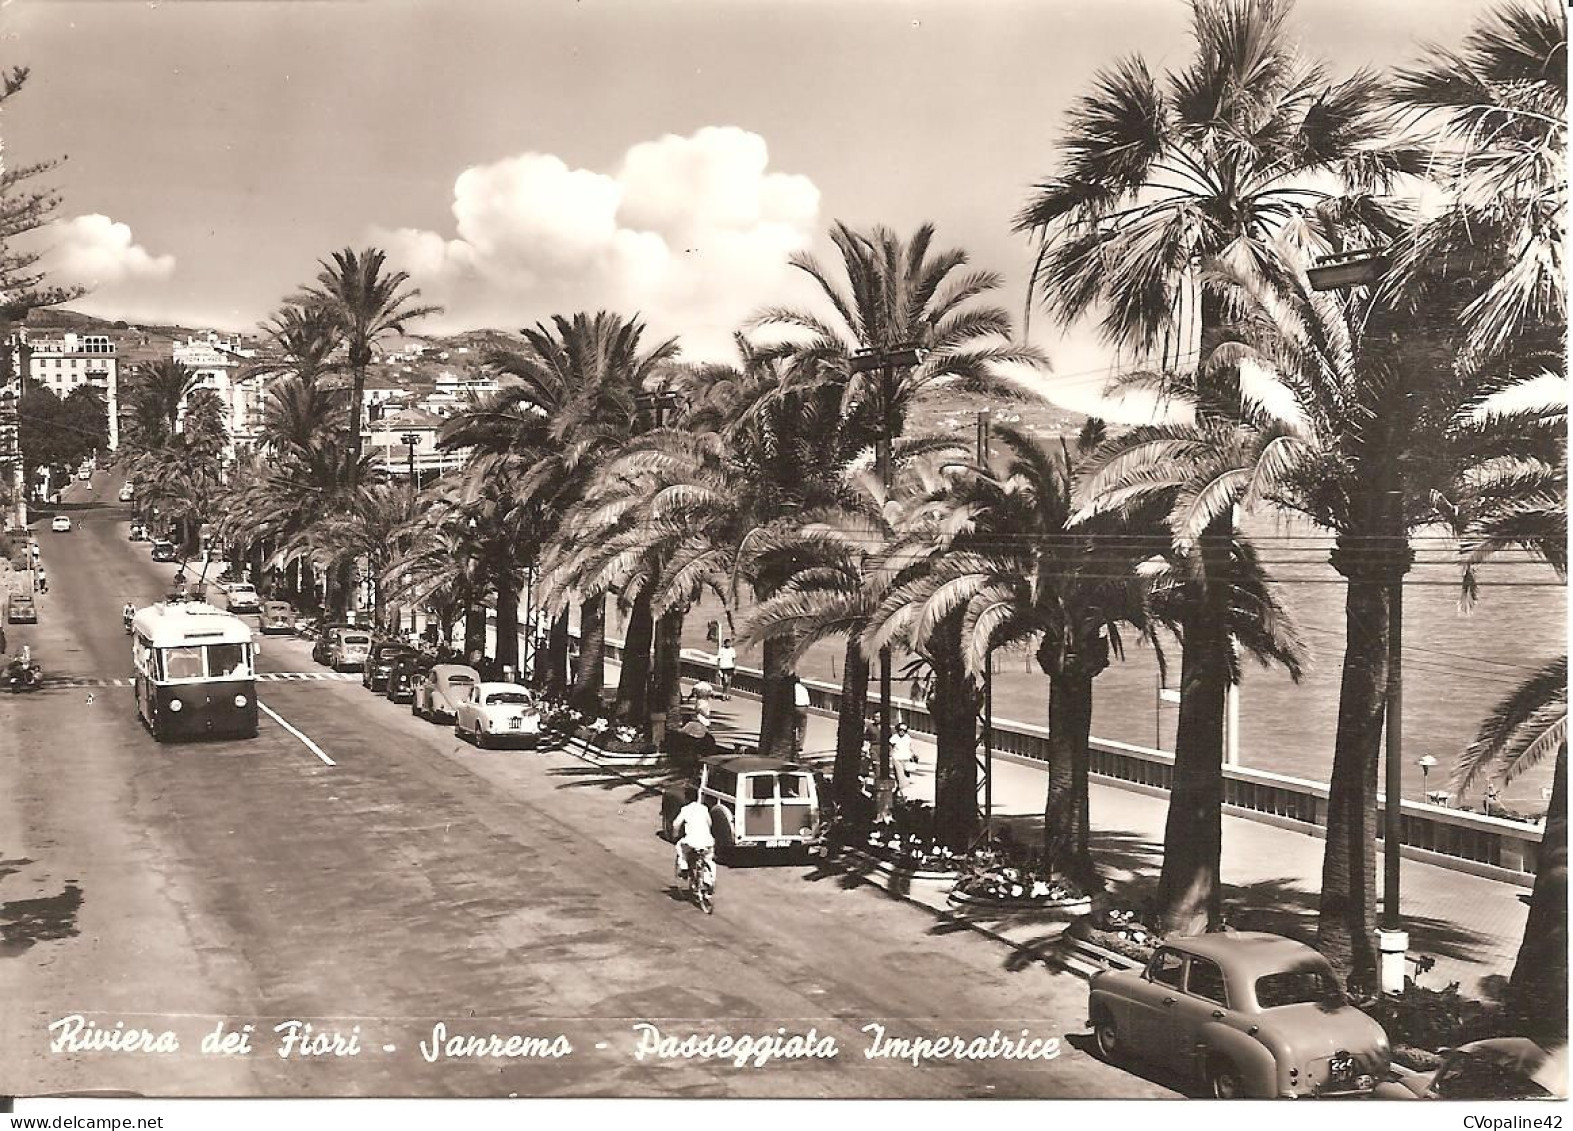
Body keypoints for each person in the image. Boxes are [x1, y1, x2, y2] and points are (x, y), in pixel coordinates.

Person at [670, 786, 717, 897]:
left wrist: (675, 835)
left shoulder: (685, 810)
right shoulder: (703, 808)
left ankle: (684, 867)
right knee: (708, 859)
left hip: (692, 841)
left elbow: (676, 824)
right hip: (707, 841)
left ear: (686, 798)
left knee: (680, 847)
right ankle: (708, 881)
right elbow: (709, 823)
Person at [792, 677, 811, 755]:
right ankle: (800, 745)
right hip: (803, 708)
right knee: (802, 728)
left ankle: (792, 743)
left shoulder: (792, 688)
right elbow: (808, 702)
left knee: (792, 726)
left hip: (795, 707)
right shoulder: (804, 689)